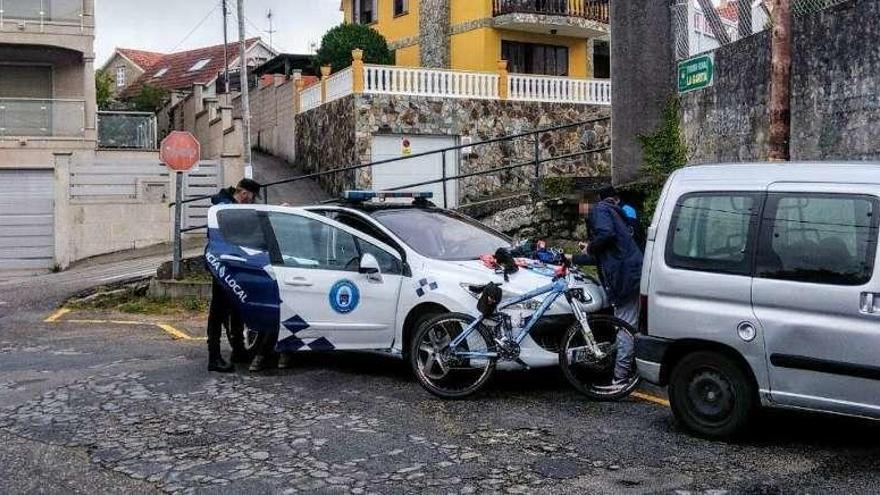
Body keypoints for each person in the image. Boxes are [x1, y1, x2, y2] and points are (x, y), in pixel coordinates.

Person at [572, 186, 643, 391]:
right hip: (630, 273)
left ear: (586, 204)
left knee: (624, 327)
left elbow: (606, 235)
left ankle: (620, 380)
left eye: (581, 206)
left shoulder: (599, 210)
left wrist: (591, 247)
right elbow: (608, 250)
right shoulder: (613, 212)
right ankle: (628, 371)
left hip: (624, 277)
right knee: (627, 325)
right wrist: (577, 257)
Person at [206, 178, 261, 372]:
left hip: (233, 267)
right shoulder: (225, 209)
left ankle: (238, 350)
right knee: (218, 314)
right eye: (252, 198)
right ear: (244, 193)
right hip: (224, 268)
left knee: (237, 309)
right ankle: (214, 358)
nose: (251, 202)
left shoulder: (230, 206)